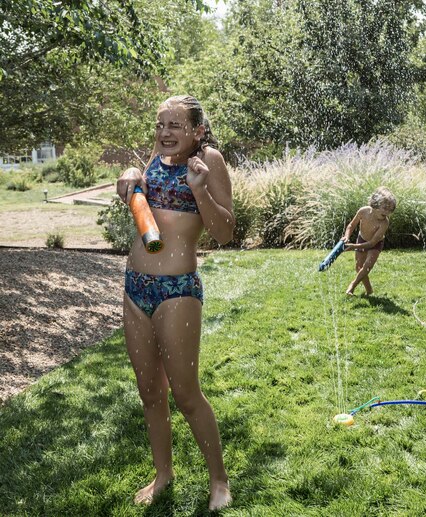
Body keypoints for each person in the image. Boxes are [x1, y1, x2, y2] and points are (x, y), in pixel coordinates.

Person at [116, 95, 235, 510]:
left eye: (175, 126)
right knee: (150, 391)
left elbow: (224, 232)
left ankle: (218, 480)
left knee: (185, 393)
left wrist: (199, 190)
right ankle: (163, 474)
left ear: (197, 131)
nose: (165, 133)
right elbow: (141, 191)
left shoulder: (210, 160)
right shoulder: (156, 155)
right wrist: (132, 176)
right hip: (136, 287)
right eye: (160, 125)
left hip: (177, 290)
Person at [342, 187, 397, 296]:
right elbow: (351, 225)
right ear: (376, 204)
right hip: (362, 238)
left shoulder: (384, 223)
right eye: (385, 208)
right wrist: (346, 237)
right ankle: (369, 290)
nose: (387, 212)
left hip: (375, 244)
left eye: (390, 210)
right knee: (359, 267)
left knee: (367, 267)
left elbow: (372, 243)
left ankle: (352, 286)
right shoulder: (363, 211)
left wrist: (353, 246)